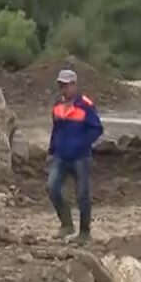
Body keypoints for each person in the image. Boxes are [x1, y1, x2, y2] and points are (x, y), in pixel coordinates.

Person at [47, 68, 103, 244]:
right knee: (52, 188)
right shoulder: (57, 105)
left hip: (80, 157)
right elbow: (55, 129)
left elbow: (97, 128)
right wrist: (52, 149)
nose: (63, 89)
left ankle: (84, 233)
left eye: (66, 85)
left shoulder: (85, 105)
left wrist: (82, 143)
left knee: (82, 195)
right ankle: (66, 225)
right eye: (60, 86)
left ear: (74, 85)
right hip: (61, 156)